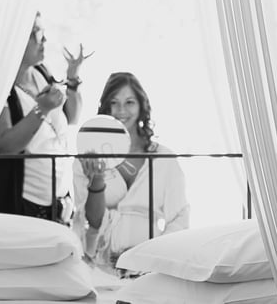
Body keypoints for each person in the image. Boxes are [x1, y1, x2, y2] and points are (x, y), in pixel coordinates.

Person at [0, 12, 92, 223]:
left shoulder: (41, 72)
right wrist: (42, 109)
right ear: (14, 37)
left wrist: (73, 77)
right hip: (24, 205)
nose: (44, 39)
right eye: (36, 33)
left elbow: (72, 117)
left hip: (58, 203)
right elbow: (5, 144)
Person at [73, 72, 190, 269]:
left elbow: (180, 217)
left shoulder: (164, 158)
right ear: (106, 106)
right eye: (114, 102)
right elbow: (92, 221)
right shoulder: (87, 158)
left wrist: (155, 256)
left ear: (141, 106)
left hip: (150, 265)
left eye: (129, 102)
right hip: (101, 264)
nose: (121, 110)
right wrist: (97, 178)